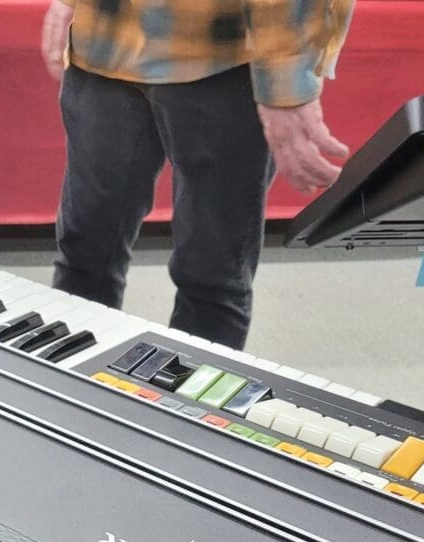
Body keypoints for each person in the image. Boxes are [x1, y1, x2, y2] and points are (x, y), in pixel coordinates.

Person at [41, 0, 354, 349]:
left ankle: (186, 387)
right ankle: (63, 380)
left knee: (210, 280)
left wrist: (286, 80)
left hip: (224, 53)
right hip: (105, 36)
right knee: (84, 255)